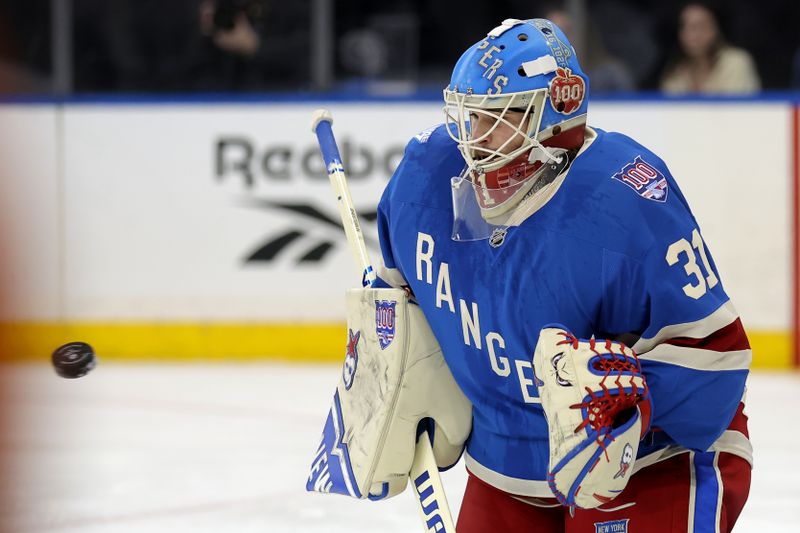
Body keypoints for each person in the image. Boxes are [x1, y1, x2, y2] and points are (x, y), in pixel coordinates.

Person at [374, 18, 752, 532]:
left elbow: (720, 359)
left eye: (498, 118)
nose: (474, 141)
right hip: (506, 459)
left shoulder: (626, 198)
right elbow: (396, 301)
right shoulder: (425, 177)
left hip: (652, 461)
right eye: (469, 117)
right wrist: (383, 370)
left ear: (554, 120)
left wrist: (635, 406)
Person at [660, 2, 760, 94]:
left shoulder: (736, 63)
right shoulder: (675, 72)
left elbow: (737, 105)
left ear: (716, 29)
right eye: (685, 27)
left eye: (699, 26)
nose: (691, 35)